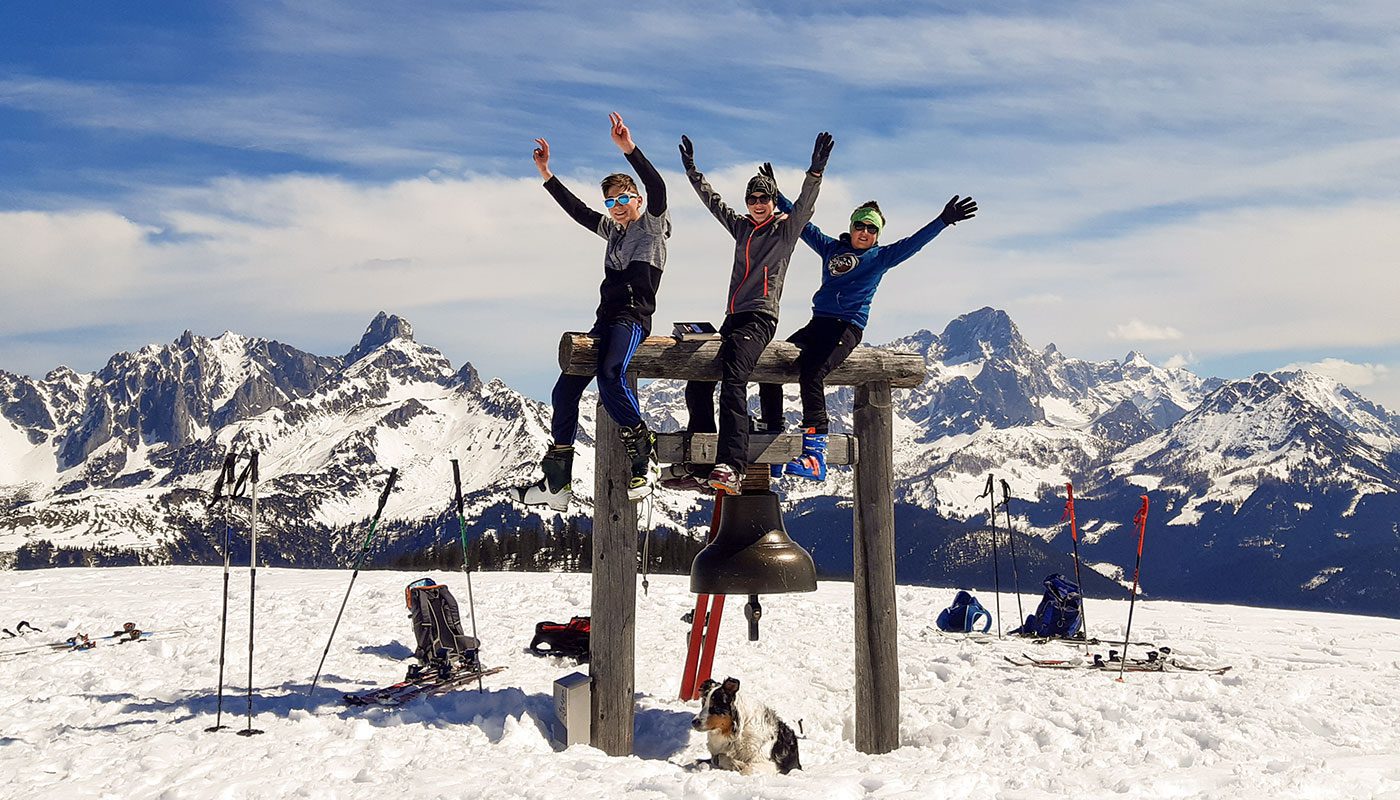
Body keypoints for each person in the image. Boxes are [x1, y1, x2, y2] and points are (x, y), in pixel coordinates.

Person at [758, 168, 977, 480]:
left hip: (845, 328)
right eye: (859, 225)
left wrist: (943, 220)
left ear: (877, 235)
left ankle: (815, 454)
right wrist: (777, 196)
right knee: (770, 364)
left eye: (871, 229)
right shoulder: (832, 248)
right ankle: (775, 439)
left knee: (812, 373)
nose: (864, 232)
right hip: (817, 324)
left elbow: (914, 243)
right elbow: (802, 223)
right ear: (851, 227)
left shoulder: (881, 257)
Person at [512, 112, 669, 511]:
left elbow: (658, 185)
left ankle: (643, 453)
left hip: (632, 317)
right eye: (611, 202)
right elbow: (579, 211)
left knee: (611, 375)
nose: (617, 208)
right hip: (604, 319)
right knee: (564, 390)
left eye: (623, 199)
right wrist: (547, 175)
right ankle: (557, 479)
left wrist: (629, 149)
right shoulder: (612, 230)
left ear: (636, 199)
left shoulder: (651, 225)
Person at [675, 132, 834, 494]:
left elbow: (806, 206)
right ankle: (702, 468)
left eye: (764, 197)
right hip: (732, 319)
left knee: (733, 380)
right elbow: (712, 202)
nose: (758, 202)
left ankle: (732, 465)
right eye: (752, 198)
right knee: (698, 381)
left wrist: (815, 171)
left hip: (760, 318)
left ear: (774, 201)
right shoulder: (742, 227)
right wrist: (692, 170)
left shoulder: (785, 230)